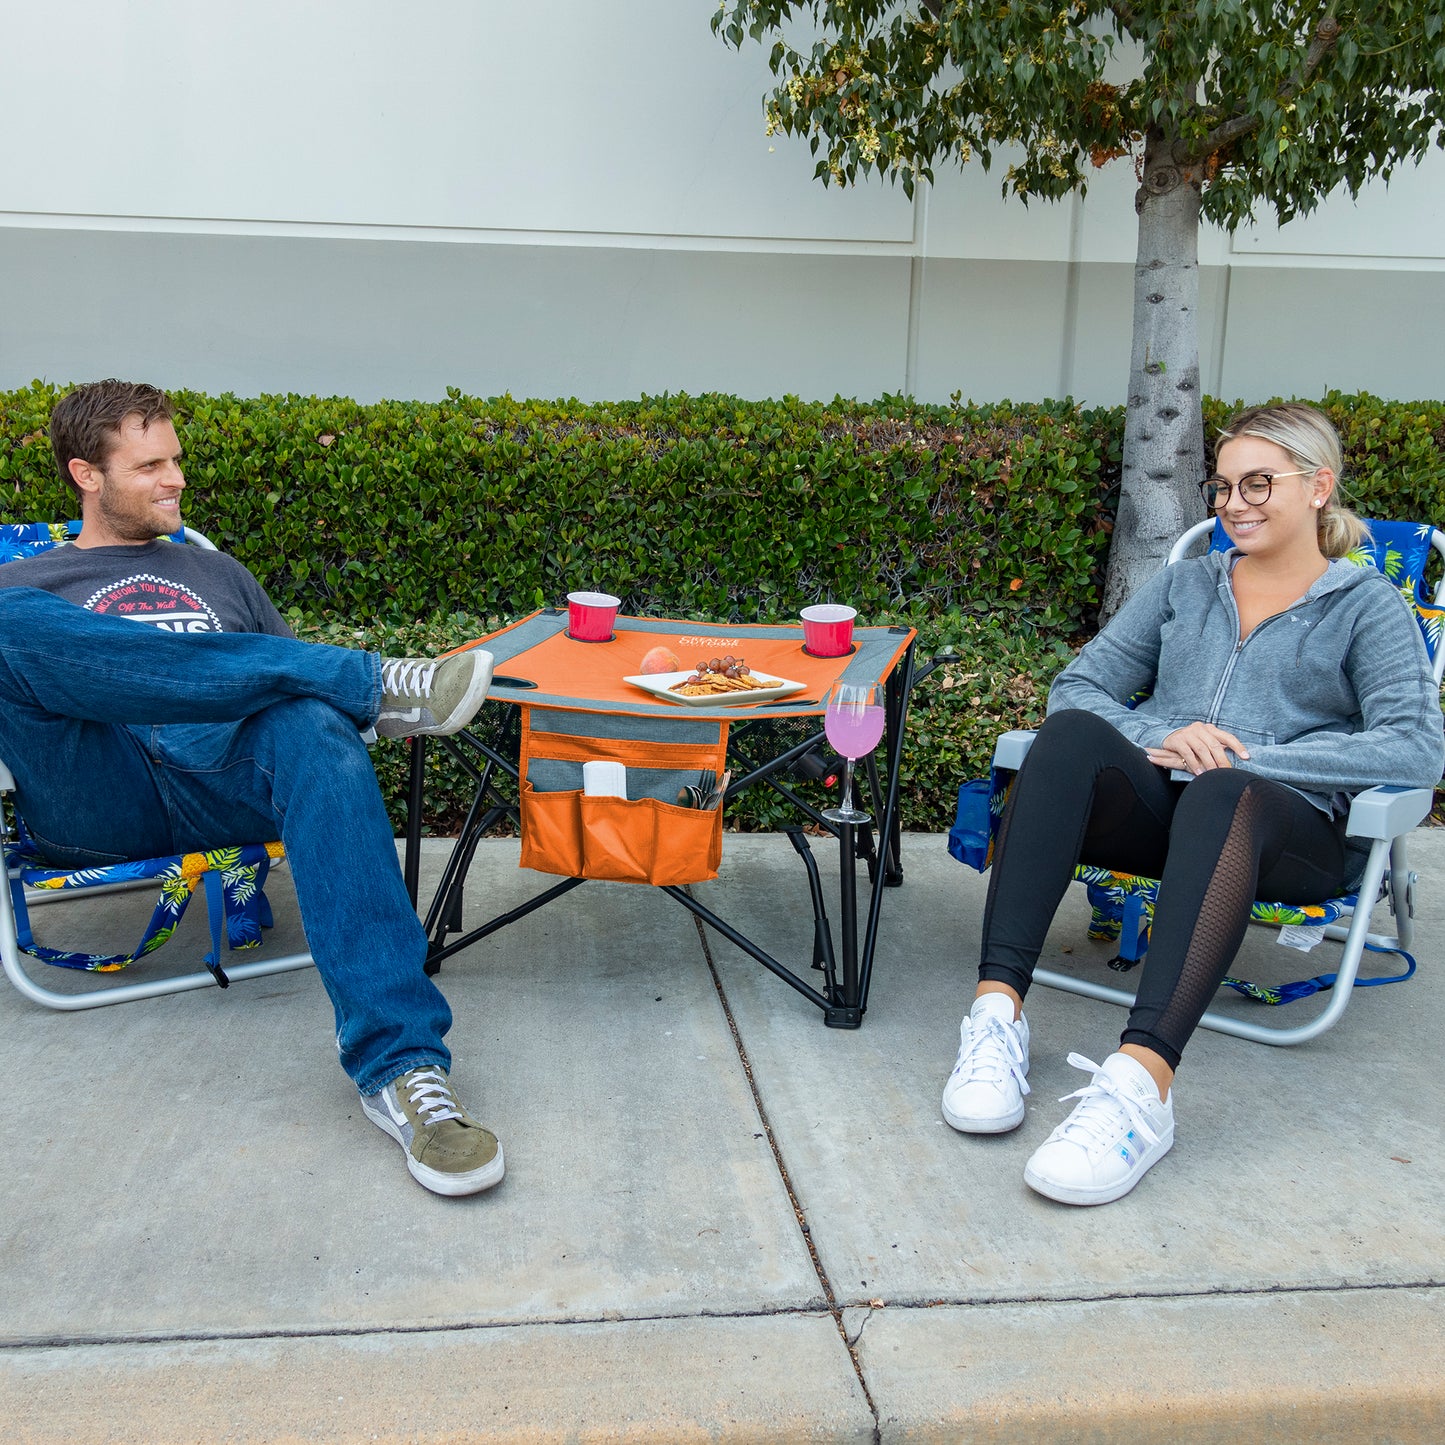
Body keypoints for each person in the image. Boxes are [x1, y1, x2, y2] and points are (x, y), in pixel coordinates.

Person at [0, 380, 505, 1198]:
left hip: (218, 777)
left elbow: (284, 693)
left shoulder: (218, 573)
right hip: (99, 788)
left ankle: (404, 1072)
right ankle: (374, 681)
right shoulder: (26, 585)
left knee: (309, 719)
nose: (177, 481)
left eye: (178, 460)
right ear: (85, 474)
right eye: (152, 464)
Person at [941, 402, 1444, 1205]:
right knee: (1067, 733)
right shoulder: (1185, 582)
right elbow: (1077, 685)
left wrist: (1246, 753)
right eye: (1221, 486)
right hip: (1167, 819)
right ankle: (996, 1019)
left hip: (1286, 834)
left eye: (1257, 483)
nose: (1233, 503)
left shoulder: (1365, 606)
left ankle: (1140, 1087)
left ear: (1318, 486)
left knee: (1224, 787)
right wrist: (1168, 733)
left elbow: (1416, 744)